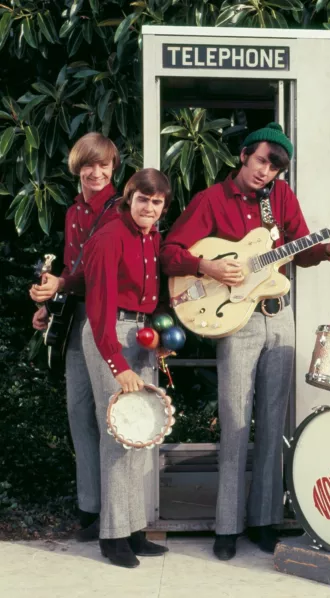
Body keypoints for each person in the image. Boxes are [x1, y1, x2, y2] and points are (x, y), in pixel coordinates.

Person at [160, 123, 330, 560]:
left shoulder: (281, 200)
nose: (267, 172)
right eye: (263, 160)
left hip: (279, 318)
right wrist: (208, 267)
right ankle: (226, 526)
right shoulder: (211, 200)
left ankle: (264, 521)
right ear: (245, 155)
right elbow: (170, 252)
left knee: (271, 424)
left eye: (276, 167)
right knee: (234, 421)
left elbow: (301, 252)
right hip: (236, 322)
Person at [29, 132, 121, 541]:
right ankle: (90, 509)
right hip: (76, 315)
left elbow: (97, 271)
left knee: (110, 417)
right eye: (90, 165)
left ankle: (117, 514)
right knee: (78, 412)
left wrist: (61, 282)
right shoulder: (72, 213)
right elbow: (71, 267)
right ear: (77, 168)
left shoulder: (122, 210)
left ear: (113, 167)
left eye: (104, 165)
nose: (97, 172)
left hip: (109, 317)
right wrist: (49, 304)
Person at [81, 168, 172, 568]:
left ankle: (134, 529)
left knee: (142, 434)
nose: (149, 208)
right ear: (128, 198)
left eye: (157, 203)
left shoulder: (152, 237)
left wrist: (159, 341)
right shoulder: (108, 237)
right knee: (118, 436)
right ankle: (113, 536)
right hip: (110, 335)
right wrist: (117, 364)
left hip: (141, 334)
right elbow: (98, 310)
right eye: (142, 200)